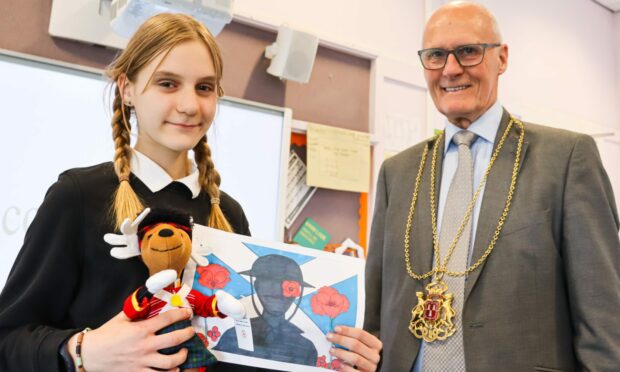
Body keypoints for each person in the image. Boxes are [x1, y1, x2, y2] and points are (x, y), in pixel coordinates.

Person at [364, 1, 620, 371]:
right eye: (435, 55)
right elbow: (376, 317)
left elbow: (604, 319)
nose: (450, 69)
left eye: (468, 51)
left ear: (501, 58)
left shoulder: (565, 159)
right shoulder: (397, 173)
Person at [215, 254, 317, 366]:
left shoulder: (306, 348)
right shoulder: (232, 336)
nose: (278, 291)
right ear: (257, 286)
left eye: (289, 287)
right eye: (270, 282)